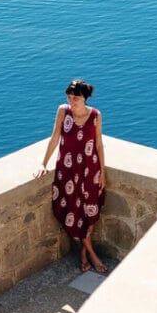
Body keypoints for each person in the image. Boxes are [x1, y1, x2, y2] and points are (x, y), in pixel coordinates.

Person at [36, 79, 109, 273]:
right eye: (69, 97)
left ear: (85, 98)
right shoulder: (63, 111)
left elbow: (99, 145)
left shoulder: (95, 115)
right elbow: (55, 138)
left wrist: (102, 172)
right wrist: (44, 163)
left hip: (90, 171)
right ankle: (92, 254)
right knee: (75, 213)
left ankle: (84, 254)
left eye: (76, 98)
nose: (72, 101)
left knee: (90, 214)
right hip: (68, 172)